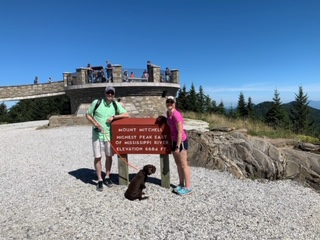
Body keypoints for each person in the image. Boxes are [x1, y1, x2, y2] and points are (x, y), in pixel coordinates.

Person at [86, 86, 129, 191]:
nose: (110, 94)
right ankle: (99, 179)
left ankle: (107, 176)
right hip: (97, 135)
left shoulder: (115, 104)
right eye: (108, 92)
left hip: (109, 136)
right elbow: (88, 115)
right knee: (98, 157)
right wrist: (95, 124)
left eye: (112, 93)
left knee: (109, 156)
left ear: (114, 95)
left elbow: (126, 115)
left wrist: (114, 117)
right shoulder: (97, 102)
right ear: (105, 93)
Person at [158, 96, 192, 196]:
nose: (169, 103)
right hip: (173, 140)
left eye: (171, 102)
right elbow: (169, 122)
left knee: (183, 165)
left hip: (180, 141)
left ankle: (188, 187)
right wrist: (164, 119)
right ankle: (181, 184)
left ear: (175, 103)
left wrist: (177, 146)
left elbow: (180, 132)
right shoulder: (168, 113)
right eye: (168, 102)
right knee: (178, 164)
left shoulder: (176, 115)